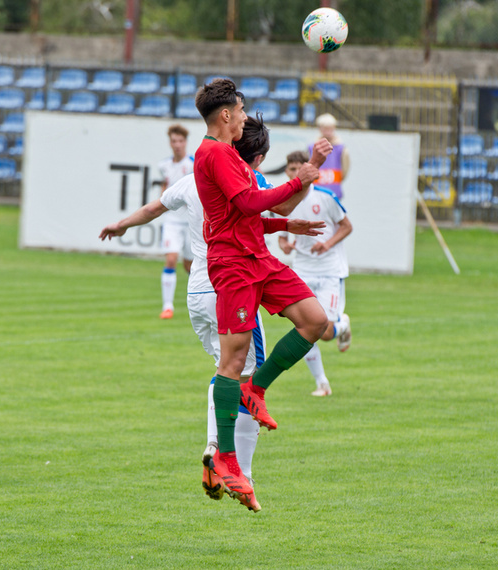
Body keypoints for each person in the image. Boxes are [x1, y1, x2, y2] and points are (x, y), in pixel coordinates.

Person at [99, 115, 325, 512]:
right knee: (240, 371)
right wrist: (305, 178)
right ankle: (236, 468)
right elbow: (266, 203)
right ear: (257, 158)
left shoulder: (196, 178)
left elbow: (154, 208)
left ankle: (213, 447)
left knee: (227, 365)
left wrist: (121, 225)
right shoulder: (245, 178)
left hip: (199, 291)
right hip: (232, 281)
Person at [193, 78, 334, 499]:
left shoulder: (228, 155)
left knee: (315, 320)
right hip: (233, 266)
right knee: (232, 361)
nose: (241, 115)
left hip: (257, 256)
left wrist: (285, 222)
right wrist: (301, 177)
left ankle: (256, 391)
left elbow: (252, 213)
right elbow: (248, 204)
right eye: (239, 110)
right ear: (225, 115)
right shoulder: (213, 153)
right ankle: (225, 460)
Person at [278, 151, 353, 397]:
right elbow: (280, 232)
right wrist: (284, 244)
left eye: (300, 167)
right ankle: (322, 383)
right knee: (305, 327)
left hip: (329, 271)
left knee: (327, 333)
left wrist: (327, 244)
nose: (295, 172)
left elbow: (347, 226)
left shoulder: (326, 197)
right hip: (301, 269)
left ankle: (342, 324)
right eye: (291, 168)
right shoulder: (282, 199)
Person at [157, 124, 195, 319]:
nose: (177, 144)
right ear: (170, 143)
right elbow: (164, 190)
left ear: (185, 142)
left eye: (180, 141)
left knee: (190, 266)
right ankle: (167, 306)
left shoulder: (193, 164)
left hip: (190, 222)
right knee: (171, 258)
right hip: (172, 220)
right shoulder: (164, 165)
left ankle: (198, 299)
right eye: (174, 141)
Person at [308, 113, 350, 199]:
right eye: (325, 128)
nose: (328, 131)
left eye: (330, 128)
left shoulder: (341, 148)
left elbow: (345, 170)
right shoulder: (312, 147)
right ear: (320, 128)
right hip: (315, 192)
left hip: (334, 192)